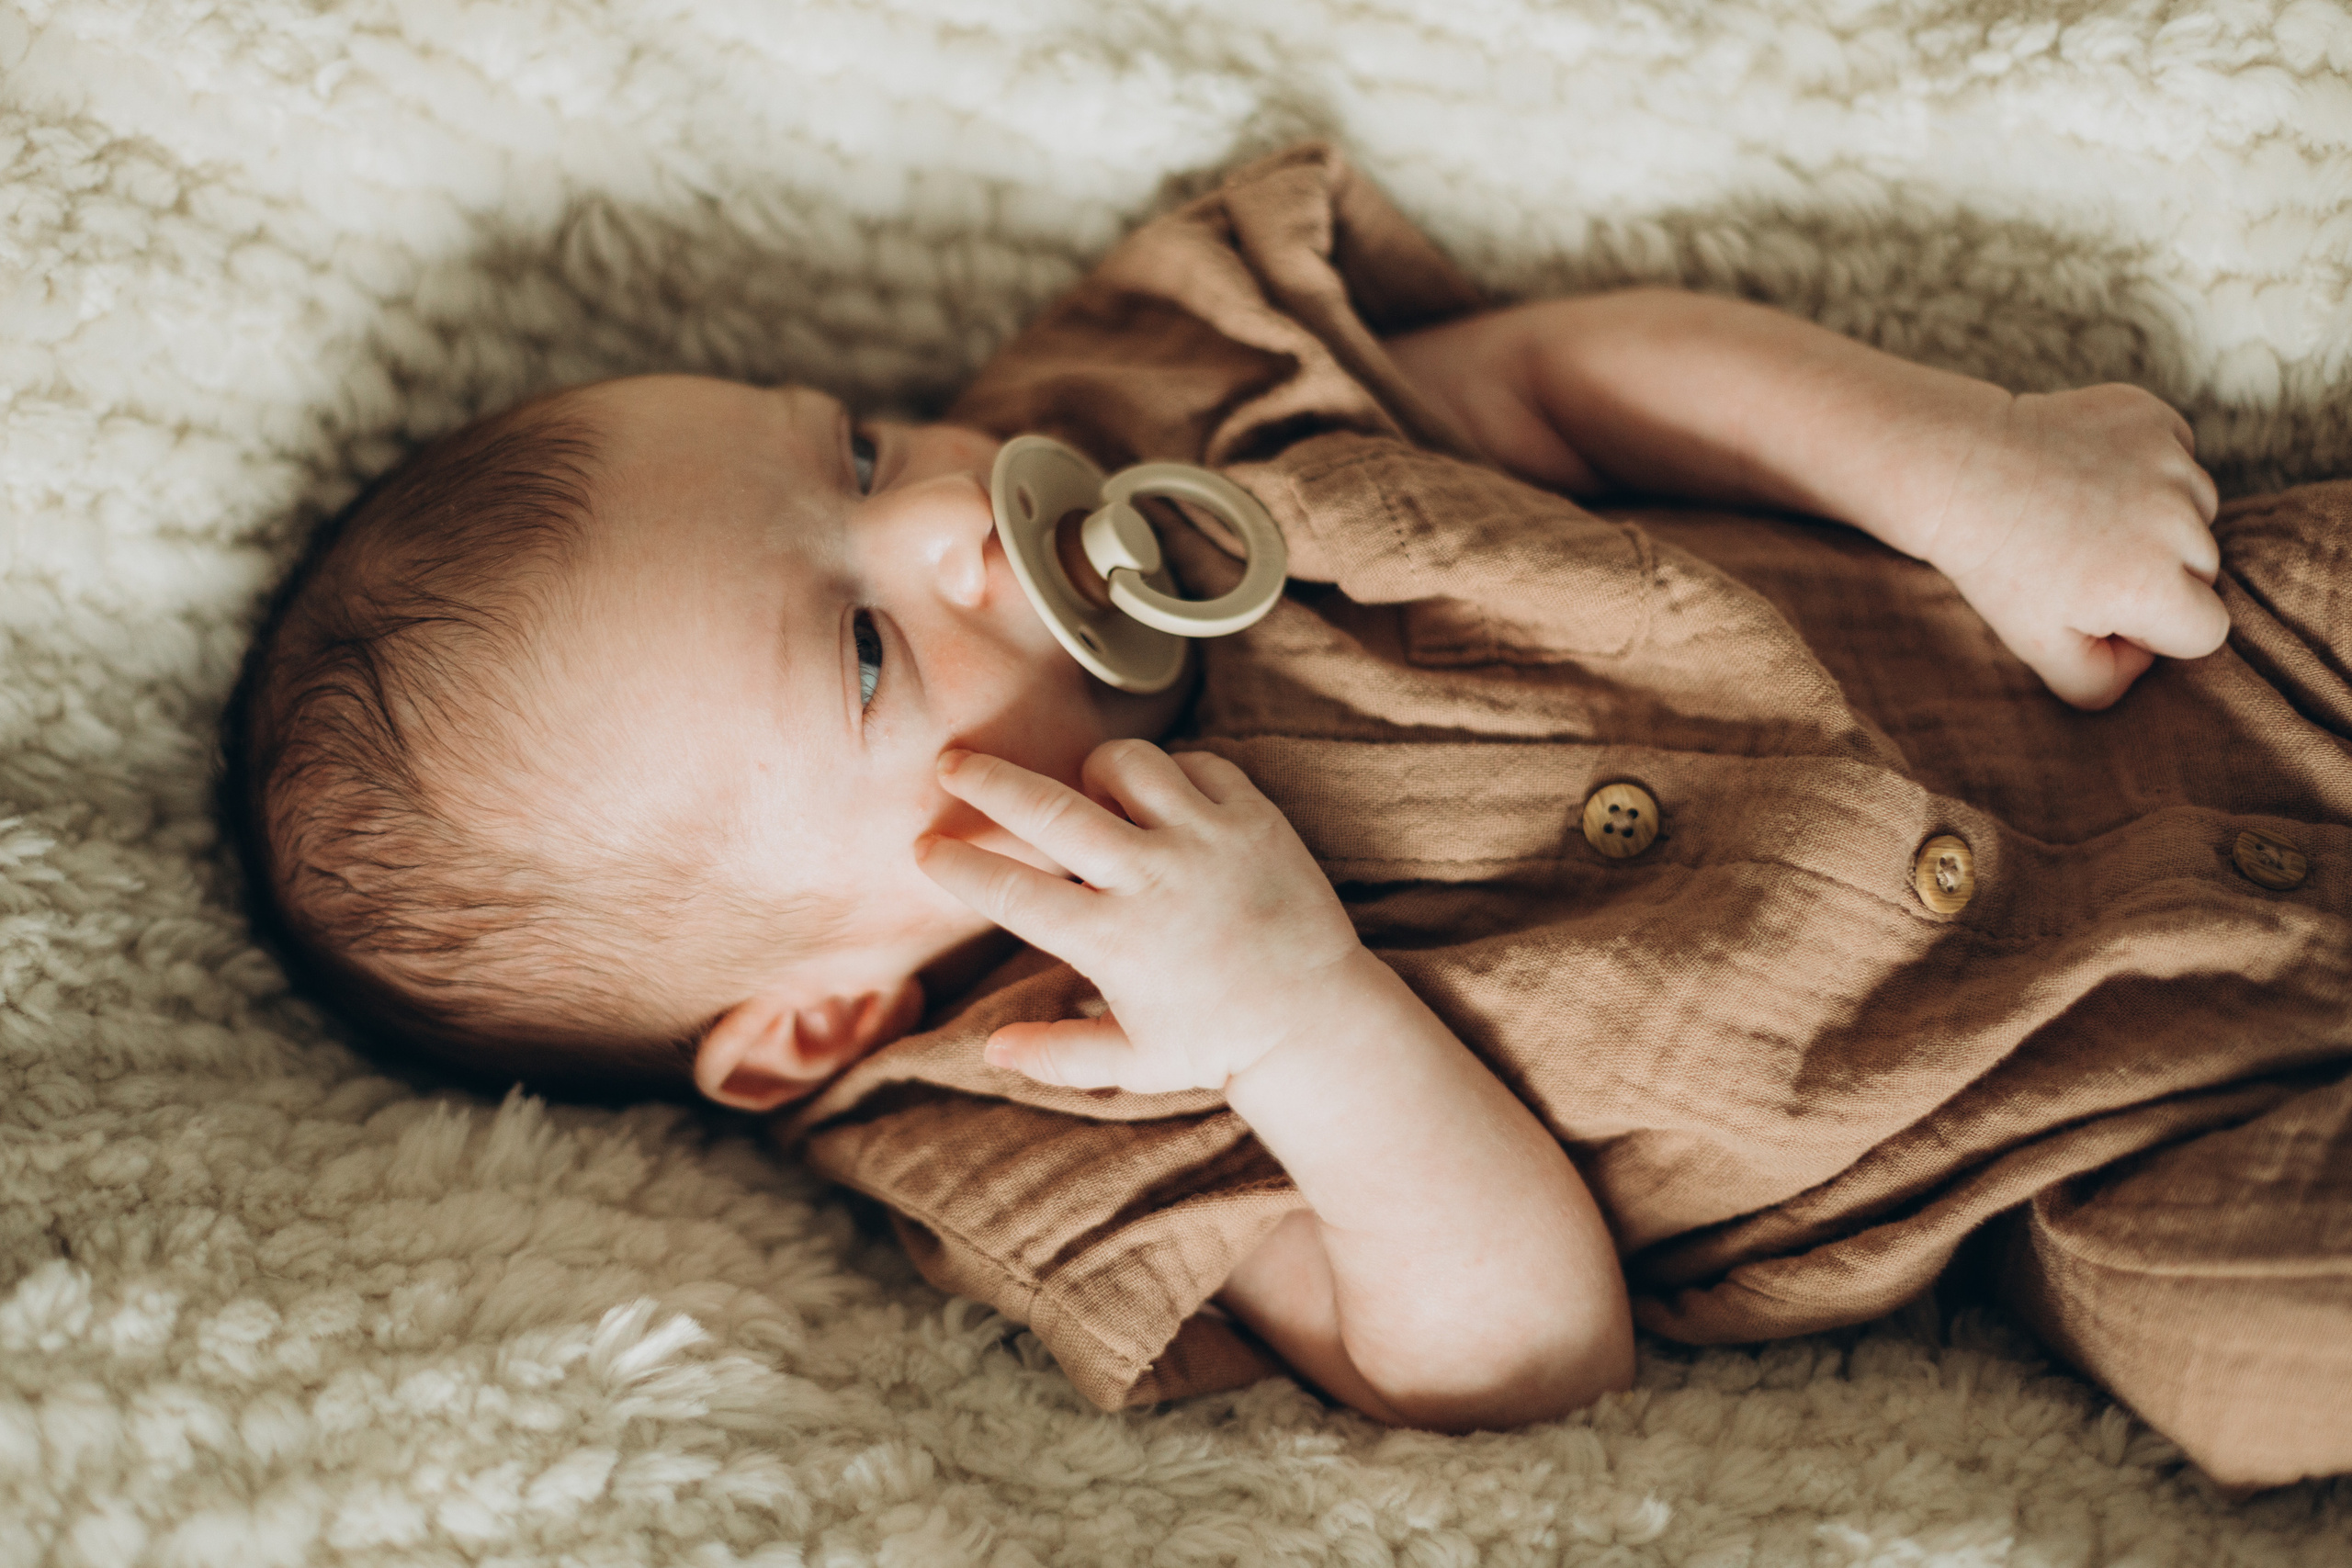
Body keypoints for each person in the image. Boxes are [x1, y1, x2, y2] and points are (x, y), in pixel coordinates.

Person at [222, 143, 2347, 1483]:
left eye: (857, 447)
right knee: (2254, 1358)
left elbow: (1553, 380)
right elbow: (1512, 1363)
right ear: (817, 1015)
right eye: (863, 650)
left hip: (2195, 664)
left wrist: (1958, 461)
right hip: (2086, 1126)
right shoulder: (1029, 1128)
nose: (963, 511)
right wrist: (1298, 1017)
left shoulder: (1160, 436)